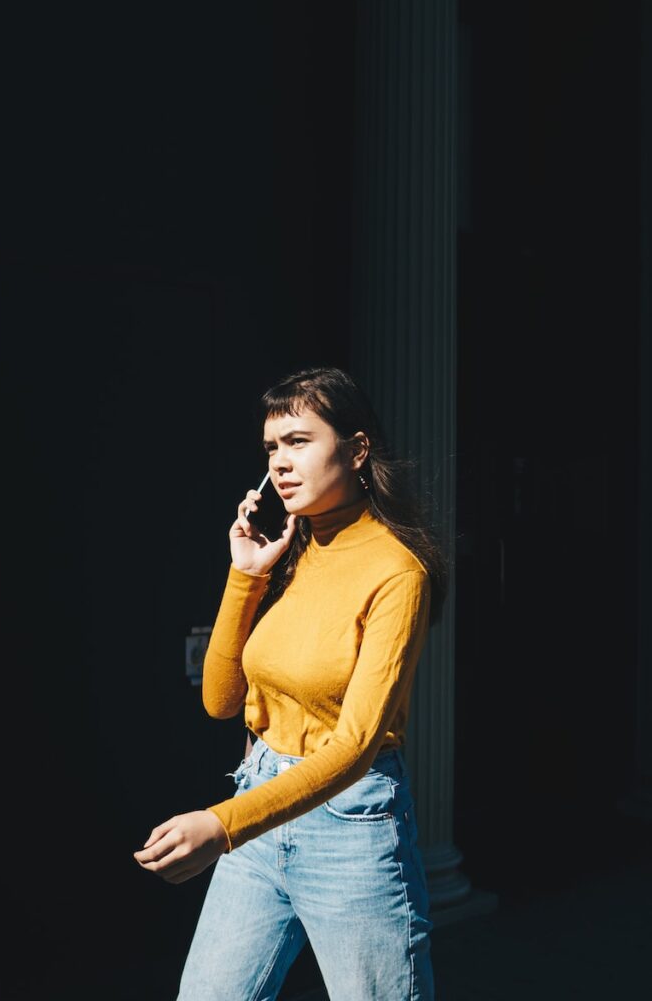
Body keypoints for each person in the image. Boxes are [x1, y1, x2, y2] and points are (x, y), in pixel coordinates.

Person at [134, 366, 448, 1000]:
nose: (280, 463)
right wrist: (244, 576)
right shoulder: (296, 552)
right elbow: (222, 702)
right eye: (272, 447)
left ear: (357, 450)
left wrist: (222, 824)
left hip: (349, 826)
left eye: (299, 441)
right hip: (260, 810)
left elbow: (355, 746)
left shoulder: (397, 572)